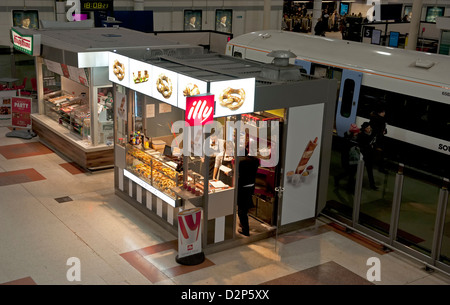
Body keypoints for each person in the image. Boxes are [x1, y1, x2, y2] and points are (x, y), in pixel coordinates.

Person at [236, 144, 260, 236]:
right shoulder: (256, 160)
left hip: (242, 187)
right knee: (245, 206)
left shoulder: (240, 161)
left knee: (241, 209)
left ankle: (245, 230)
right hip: (251, 186)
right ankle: (243, 224)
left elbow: (237, 174)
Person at [334, 123, 360, 192]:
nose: (357, 133)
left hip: (353, 158)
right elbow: (346, 149)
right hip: (348, 159)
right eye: (356, 132)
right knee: (350, 173)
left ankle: (339, 179)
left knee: (351, 173)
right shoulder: (348, 139)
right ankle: (348, 188)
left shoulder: (353, 138)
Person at [357, 122, 378, 190]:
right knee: (368, 170)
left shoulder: (371, 133)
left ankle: (372, 184)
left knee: (369, 170)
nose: (369, 129)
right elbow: (362, 144)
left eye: (370, 128)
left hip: (369, 154)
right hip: (364, 154)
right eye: (368, 128)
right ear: (364, 129)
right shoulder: (361, 135)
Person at [369, 105, 388, 173]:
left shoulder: (373, 117)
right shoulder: (381, 120)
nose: (384, 113)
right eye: (383, 112)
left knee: (374, 152)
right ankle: (381, 168)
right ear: (380, 112)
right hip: (378, 139)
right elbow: (380, 130)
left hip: (374, 138)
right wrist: (383, 131)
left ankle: (373, 165)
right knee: (380, 153)